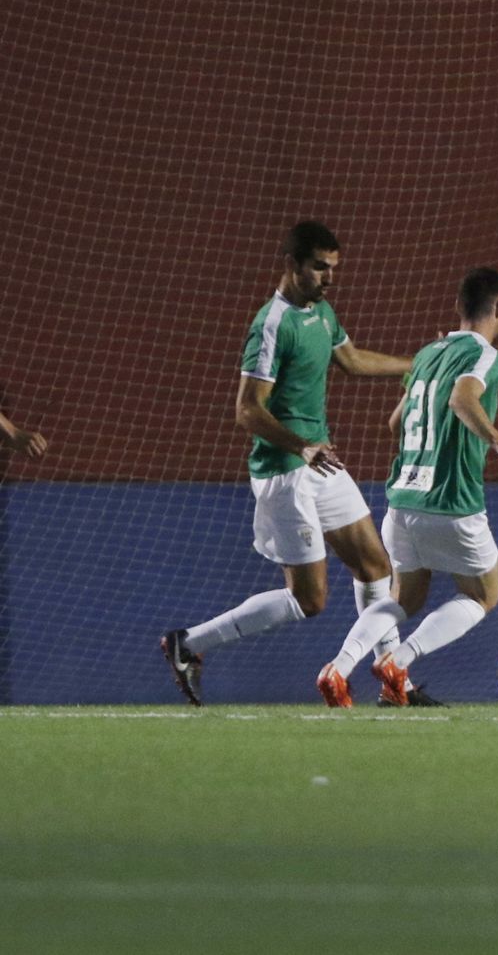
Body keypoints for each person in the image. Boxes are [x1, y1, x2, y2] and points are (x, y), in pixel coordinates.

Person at [160, 221, 432, 706]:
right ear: (291, 264)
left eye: (333, 268)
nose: (328, 278)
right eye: (319, 267)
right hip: (284, 474)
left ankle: (396, 686)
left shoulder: (322, 313)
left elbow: (351, 360)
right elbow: (247, 409)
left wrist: (417, 362)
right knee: (310, 601)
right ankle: (189, 644)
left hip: (320, 464)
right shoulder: (272, 324)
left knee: (374, 567)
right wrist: (301, 446)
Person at [316, 267, 498, 707]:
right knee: (482, 594)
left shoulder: (426, 354)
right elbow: (462, 398)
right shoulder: (485, 354)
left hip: (402, 500)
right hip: (452, 501)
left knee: (403, 597)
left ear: (458, 307)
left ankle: (338, 669)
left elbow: (396, 423)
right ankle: (399, 661)